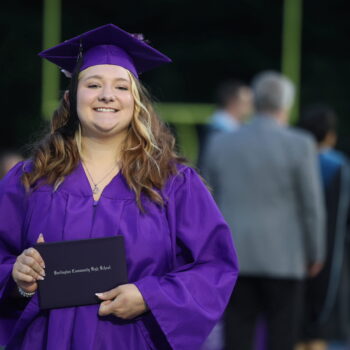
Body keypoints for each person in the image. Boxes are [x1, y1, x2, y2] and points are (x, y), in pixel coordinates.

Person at [0, 24, 238, 350]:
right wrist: (17, 277)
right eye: (93, 84)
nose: (107, 95)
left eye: (121, 87)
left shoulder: (174, 183)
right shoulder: (31, 179)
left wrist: (150, 296)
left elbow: (214, 267)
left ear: (137, 101)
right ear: (71, 98)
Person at [202, 71, 326, 350]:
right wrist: (315, 252)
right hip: (285, 258)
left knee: (237, 334)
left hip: (234, 255)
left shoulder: (221, 143)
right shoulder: (301, 144)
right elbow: (311, 206)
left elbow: (207, 203)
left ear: (254, 100)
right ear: (287, 104)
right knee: (282, 336)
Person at [297, 105, 350, 350]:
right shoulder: (337, 165)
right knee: (321, 321)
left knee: (296, 321)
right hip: (330, 253)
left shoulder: (293, 158)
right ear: (330, 134)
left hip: (293, 252)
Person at [197, 80, 252, 169]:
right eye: (247, 103)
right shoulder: (216, 131)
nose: (251, 107)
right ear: (233, 103)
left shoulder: (214, 126)